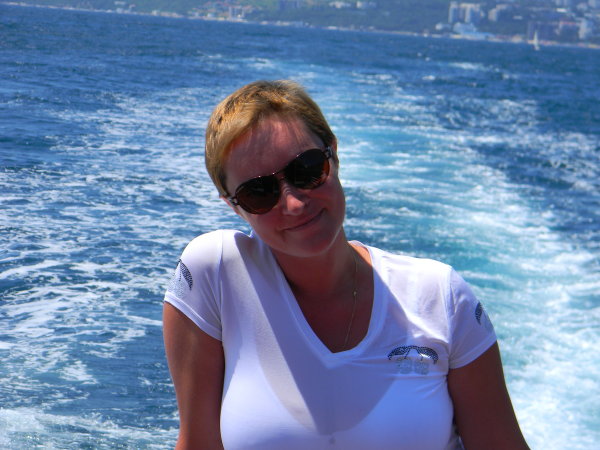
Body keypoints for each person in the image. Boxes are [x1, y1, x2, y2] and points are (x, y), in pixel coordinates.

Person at [163, 80, 529, 450]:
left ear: (334, 155)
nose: (294, 204)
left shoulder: (440, 296)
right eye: (259, 193)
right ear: (233, 206)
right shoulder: (215, 274)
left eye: (307, 170)